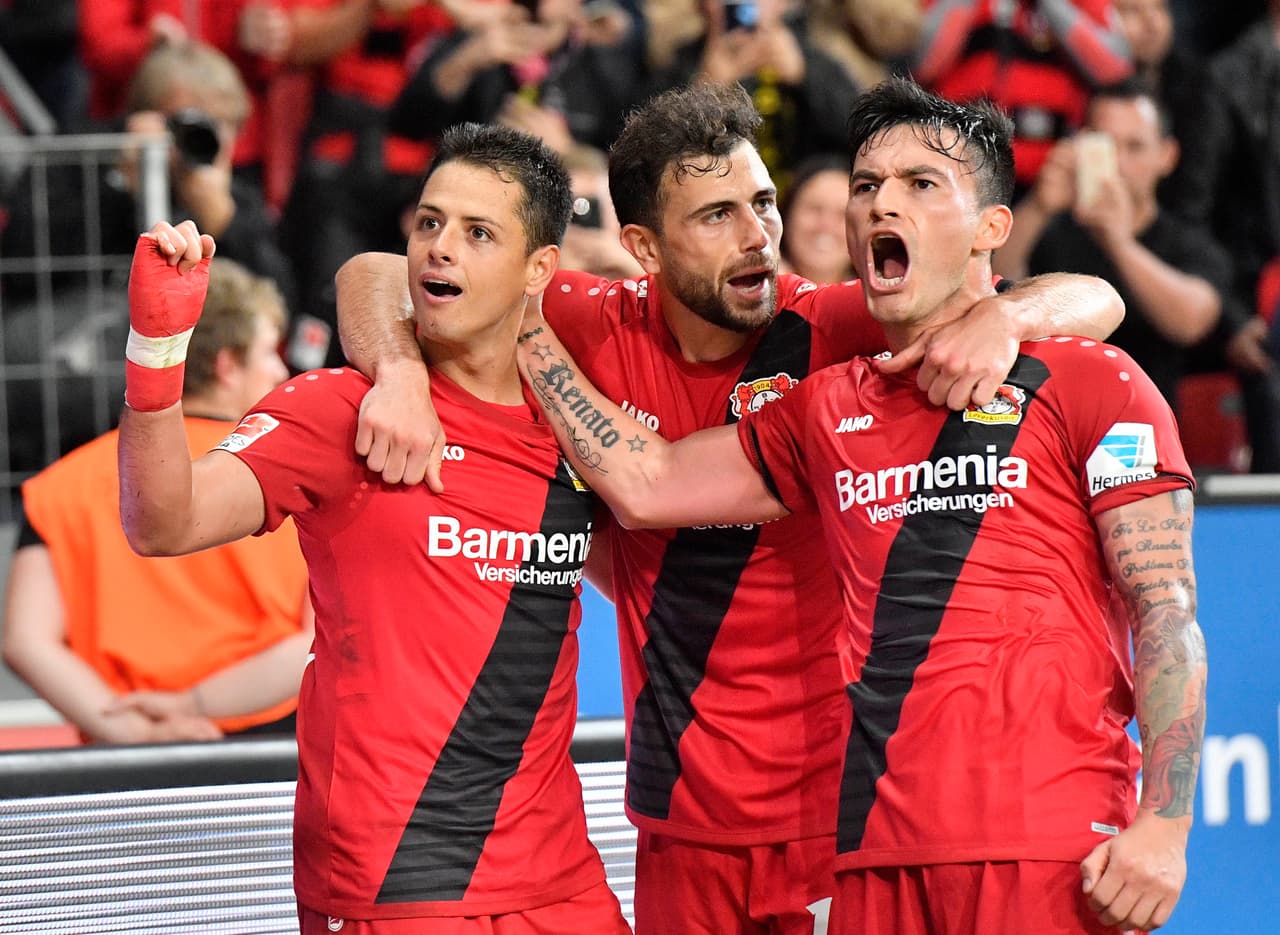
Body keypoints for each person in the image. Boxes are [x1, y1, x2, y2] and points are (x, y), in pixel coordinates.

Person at [335, 82, 1123, 934]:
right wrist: (401, 370)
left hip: (837, 818)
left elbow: (1093, 300)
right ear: (643, 246)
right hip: (681, 823)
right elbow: (373, 272)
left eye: (762, 203)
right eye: (715, 216)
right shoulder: (591, 323)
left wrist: (1007, 315)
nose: (758, 237)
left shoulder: (831, 325)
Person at [513, 77, 1206, 934]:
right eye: (868, 185)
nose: (759, 235)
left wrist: (1168, 823)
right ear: (643, 246)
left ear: (991, 225)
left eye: (921, 184)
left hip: (1015, 839)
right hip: (847, 850)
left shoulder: (1066, 373)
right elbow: (649, 483)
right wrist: (520, 334)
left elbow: (1166, 606)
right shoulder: (827, 403)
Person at [115, 124, 630, 933]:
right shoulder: (339, 408)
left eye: (477, 232)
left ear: (540, 269)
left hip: (561, 874)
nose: (439, 249)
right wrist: (155, 354)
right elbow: (162, 521)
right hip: (396, 876)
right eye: (429, 223)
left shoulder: (574, 422)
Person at [2, 259, 309, 745]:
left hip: (120, 756)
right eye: (269, 351)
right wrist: (197, 707)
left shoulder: (61, 485)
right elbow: (322, 638)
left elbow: (26, 639)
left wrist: (126, 728)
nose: (280, 369)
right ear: (228, 366)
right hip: (271, 751)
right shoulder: (295, 474)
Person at [993, 80, 1229, 408]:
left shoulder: (1187, 241)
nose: (1117, 162)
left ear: (1167, 155)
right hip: (1050, 413)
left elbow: (1192, 321)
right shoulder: (1051, 228)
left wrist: (1119, 242)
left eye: (1134, 147)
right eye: (1105, 145)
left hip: (1143, 423)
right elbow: (993, 284)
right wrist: (1039, 207)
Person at [779, 153, 857, 285]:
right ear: (786, 215)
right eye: (815, 209)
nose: (826, 224)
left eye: (842, 214)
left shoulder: (885, 301)